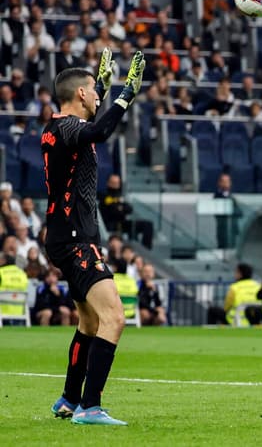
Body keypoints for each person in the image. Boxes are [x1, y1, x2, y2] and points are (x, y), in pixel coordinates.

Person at [42, 48, 146, 425]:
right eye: (94, 92)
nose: (99, 97)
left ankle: (69, 400)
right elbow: (99, 130)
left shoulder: (61, 128)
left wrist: (102, 84)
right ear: (80, 95)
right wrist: (126, 92)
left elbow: (91, 121)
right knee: (114, 317)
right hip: (74, 237)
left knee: (88, 323)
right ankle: (90, 407)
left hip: (63, 235)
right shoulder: (67, 126)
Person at [99, 174, 154, 248]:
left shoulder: (120, 195)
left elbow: (129, 209)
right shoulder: (103, 195)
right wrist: (120, 208)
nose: (116, 185)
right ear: (108, 183)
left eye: (117, 183)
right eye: (113, 182)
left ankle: (145, 249)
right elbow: (113, 211)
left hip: (123, 223)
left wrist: (120, 208)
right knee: (131, 230)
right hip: (111, 224)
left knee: (147, 225)